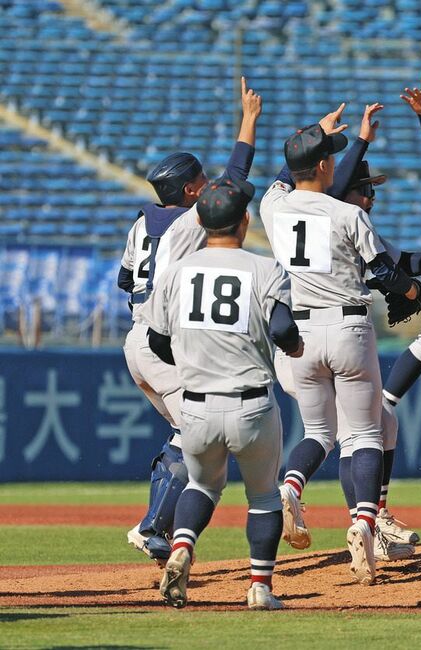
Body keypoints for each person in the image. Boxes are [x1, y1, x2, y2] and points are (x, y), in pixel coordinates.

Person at [260, 110, 421, 585]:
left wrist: (316, 133)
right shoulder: (349, 213)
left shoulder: (274, 207)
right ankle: (365, 525)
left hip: (300, 337)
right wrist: (413, 291)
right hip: (348, 328)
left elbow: (282, 174)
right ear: (328, 168)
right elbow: (386, 275)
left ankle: (292, 488)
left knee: (317, 432)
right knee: (368, 434)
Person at [119, 78, 261, 564]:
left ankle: (161, 535)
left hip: (140, 338)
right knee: (198, 432)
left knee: (191, 431)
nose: (208, 188)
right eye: (200, 183)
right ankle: (153, 526)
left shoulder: (142, 224)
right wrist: (248, 121)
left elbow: (125, 281)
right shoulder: (185, 223)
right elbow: (237, 180)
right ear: (188, 190)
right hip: (160, 345)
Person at [144, 176, 302, 610]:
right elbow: (284, 327)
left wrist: (191, 357)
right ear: (244, 221)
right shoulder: (265, 268)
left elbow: (158, 341)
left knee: (202, 485)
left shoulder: (177, 272)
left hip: (195, 405)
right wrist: (293, 346)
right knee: (265, 496)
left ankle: (182, 548)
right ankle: (259, 588)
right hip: (250, 403)